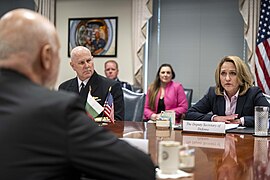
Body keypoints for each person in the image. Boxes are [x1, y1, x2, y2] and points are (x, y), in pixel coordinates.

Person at [0, 8, 155, 179]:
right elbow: (139, 168)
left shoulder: (109, 87)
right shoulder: (56, 108)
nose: (87, 65)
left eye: (89, 60)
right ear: (46, 57)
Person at [186, 55, 270, 127]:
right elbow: (190, 114)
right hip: (220, 141)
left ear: (241, 75)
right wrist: (215, 118)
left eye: (233, 73)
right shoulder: (213, 92)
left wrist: (241, 121)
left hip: (245, 141)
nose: (227, 78)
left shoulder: (253, 92)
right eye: (223, 73)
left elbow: (268, 117)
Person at [59, 46, 124, 120]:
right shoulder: (64, 88)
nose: (87, 66)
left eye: (89, 61)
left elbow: (118, 121)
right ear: (73, 66)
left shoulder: (111, 87)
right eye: (81, 63)